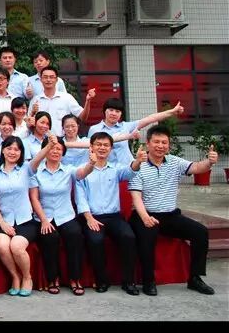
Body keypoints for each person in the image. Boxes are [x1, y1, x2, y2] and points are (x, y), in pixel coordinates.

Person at [128, 125, 217, 297]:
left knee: (200, 232)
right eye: (156, 142)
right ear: (148, 143)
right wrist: (145, 217)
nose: (160, 146)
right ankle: (148, 281)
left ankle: (195, 278)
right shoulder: (138, 166)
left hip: (170, 215)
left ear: (168, 145)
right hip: (143, 214)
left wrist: (210, 162)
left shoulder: (175, 162)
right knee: (146, 237)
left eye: (164, 142)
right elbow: (136, 196)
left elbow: (197, 167)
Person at [75, 132, 147, 295]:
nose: (102, 148)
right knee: (95, 240)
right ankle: (102, 280)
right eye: (98, 144)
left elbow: (130, 171)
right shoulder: (82, 171)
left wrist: (137, 161)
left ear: (111, 149)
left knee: (129, 237)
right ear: (91, 147)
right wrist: (89, 218)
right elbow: (81, 198)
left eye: (106, 145)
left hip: (114, 217)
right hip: (92, 216)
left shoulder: (116, 168)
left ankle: (128, 282)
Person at [29, 136, 95, 296]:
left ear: (63, 152)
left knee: (75, 235)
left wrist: (91, 164)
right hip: (44, 217)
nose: (55, 151)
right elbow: (34, 198)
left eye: (59, 148)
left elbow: (82, 173)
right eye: (52, 147)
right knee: (49, 237)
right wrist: (44, 220)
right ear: (45, 150)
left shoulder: (68, 170)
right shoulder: (36, 171)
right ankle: (52, 279)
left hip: (66, 216)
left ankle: (75, 278)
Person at [0, 135, 44, 297]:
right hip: (2, 220)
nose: (12, 152)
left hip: (25, 220)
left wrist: (49, 145)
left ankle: (27, 277)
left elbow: (38, 158)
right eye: (9, 148)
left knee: (16, 247)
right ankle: (15, 277)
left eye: (17, 149)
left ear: (21, 153)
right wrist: (2, 223)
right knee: (2, 245)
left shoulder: (26, 168)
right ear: (3, 150)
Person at [88, 98, 185, 166]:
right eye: (111, 110)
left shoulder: (126, 126)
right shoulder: (94, 129)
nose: (114, 113)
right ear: (105, 111)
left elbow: (150, 119)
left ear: (121, 114)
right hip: (105, 170)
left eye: (117, 111)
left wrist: (172, 112)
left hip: (128, 169)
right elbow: (89, 151)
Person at [27, 67, 94, 135]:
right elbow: (28, 123)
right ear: (41, 80)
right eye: (45, 77)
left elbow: (83, 117)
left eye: (51, 77)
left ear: (56, 80)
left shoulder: (67, 98)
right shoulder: (35, 100)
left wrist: (88, 101)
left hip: (62, 139)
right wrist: (32, 114)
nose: (48, 80)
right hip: (41, 140)